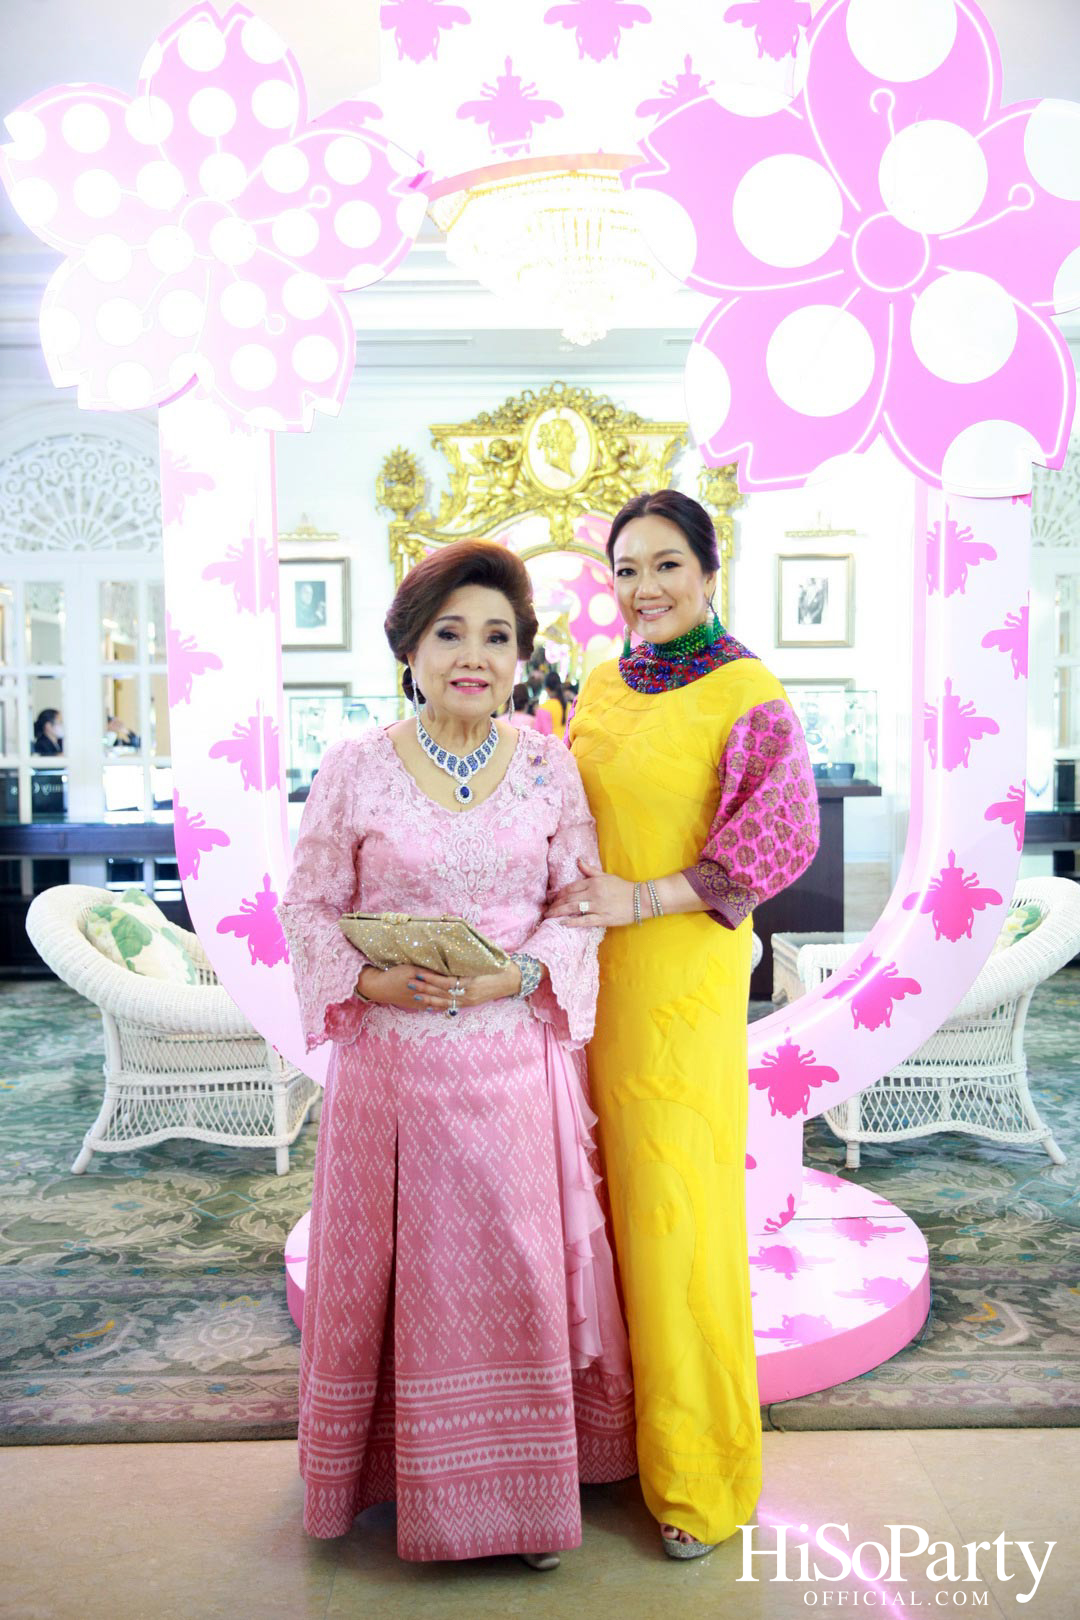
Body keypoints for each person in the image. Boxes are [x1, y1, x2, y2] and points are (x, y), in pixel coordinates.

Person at [277, 540, 635, 1567]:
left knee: (517, 1273)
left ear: (522, 656)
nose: (474, 655)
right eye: (451, 633)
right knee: (396, 1279)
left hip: (510, 1074)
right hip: (391, 1078)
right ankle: (388, 1481)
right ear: (411, 647)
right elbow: (307, 906)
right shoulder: (353, 767)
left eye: (498, 636)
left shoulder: (547, 764)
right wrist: (373, 982)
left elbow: (580, 907)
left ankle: (521, 1503)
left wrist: (515, 977)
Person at [547, 489, 820, 1560]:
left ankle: (698, 1477)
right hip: (584, 985)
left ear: (710, 570)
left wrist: (645, 898)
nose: (645, 587)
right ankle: (609, 1451)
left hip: (676, 987)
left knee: (672, 1225)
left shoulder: (746, 688)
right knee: (593, 1214)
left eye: (667, 565)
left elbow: (778, 840)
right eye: (626, 570)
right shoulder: (607, 681)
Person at [537, 670, 568, 739]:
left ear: (547, 689)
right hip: (567, 746)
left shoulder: (544, 707)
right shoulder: (569, 705)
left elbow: (540, 734)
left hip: (551, 747)